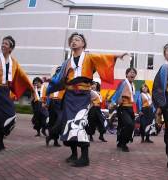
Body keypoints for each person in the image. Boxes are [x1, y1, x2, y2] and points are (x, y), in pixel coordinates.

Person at [47, 32, 127, 167]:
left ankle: (85, 157)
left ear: (83, 44)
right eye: (72, 40)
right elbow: (58, 78)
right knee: (68, 125)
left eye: (77, 39)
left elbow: (103, 58)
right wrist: (50, 81)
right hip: (69, 96)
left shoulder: (90, 58)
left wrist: (116, 56)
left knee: (79, 124)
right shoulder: (67, 62)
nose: (74, 41)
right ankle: (73, 154)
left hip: (83, 96)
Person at [0, 36, 35, 152]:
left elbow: (22, 76)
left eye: (6, 44)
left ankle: (5, 132)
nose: (3, 45)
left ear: (11, 48)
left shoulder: (14, 63)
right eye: (2, 43)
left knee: (10, 114)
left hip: (5, 92)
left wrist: (32, 89)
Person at [111, 67, 137, 152]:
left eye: (134, 73)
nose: (132, 74)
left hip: (129, 108)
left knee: (123, 125)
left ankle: (120, 142)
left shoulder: (133, 85)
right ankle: (124, 143)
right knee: (129, 124)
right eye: (130, 72)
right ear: (126, 74)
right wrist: (113, 102)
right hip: (123, 107)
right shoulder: (123, 82)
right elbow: (117, 92)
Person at [45, 66, 65, 147]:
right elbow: (48, 92)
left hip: (59, 102)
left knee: (58, 121)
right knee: (54, 121)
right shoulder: (55, 79)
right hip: (54, 102)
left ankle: (51, 137)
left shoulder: (60, 79)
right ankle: (54, 140)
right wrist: (47, 102)